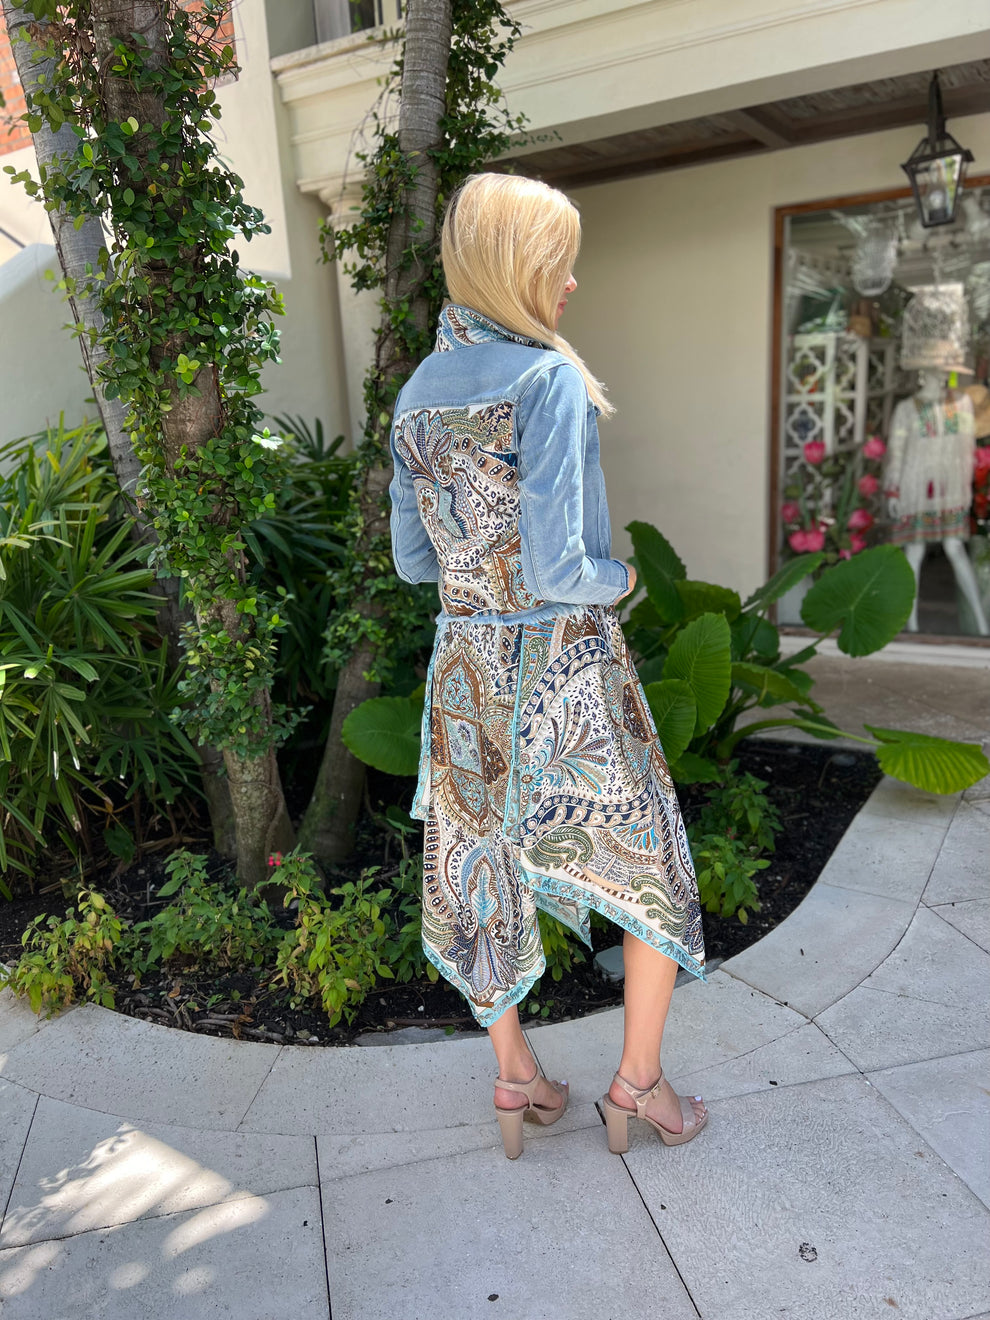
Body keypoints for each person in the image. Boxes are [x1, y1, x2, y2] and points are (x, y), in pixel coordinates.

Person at [387, 172, 708, 1160]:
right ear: (518, 265)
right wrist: (622, 577)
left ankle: (518, 1078)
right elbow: (563, 570)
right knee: (651, 858)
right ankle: (637, 1086)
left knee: (476, 865)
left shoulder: (415, 393)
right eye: (560, 263)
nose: (571, 283)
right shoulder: (547, 380)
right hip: (563, 669)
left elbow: (413, 563)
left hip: (465, 671)